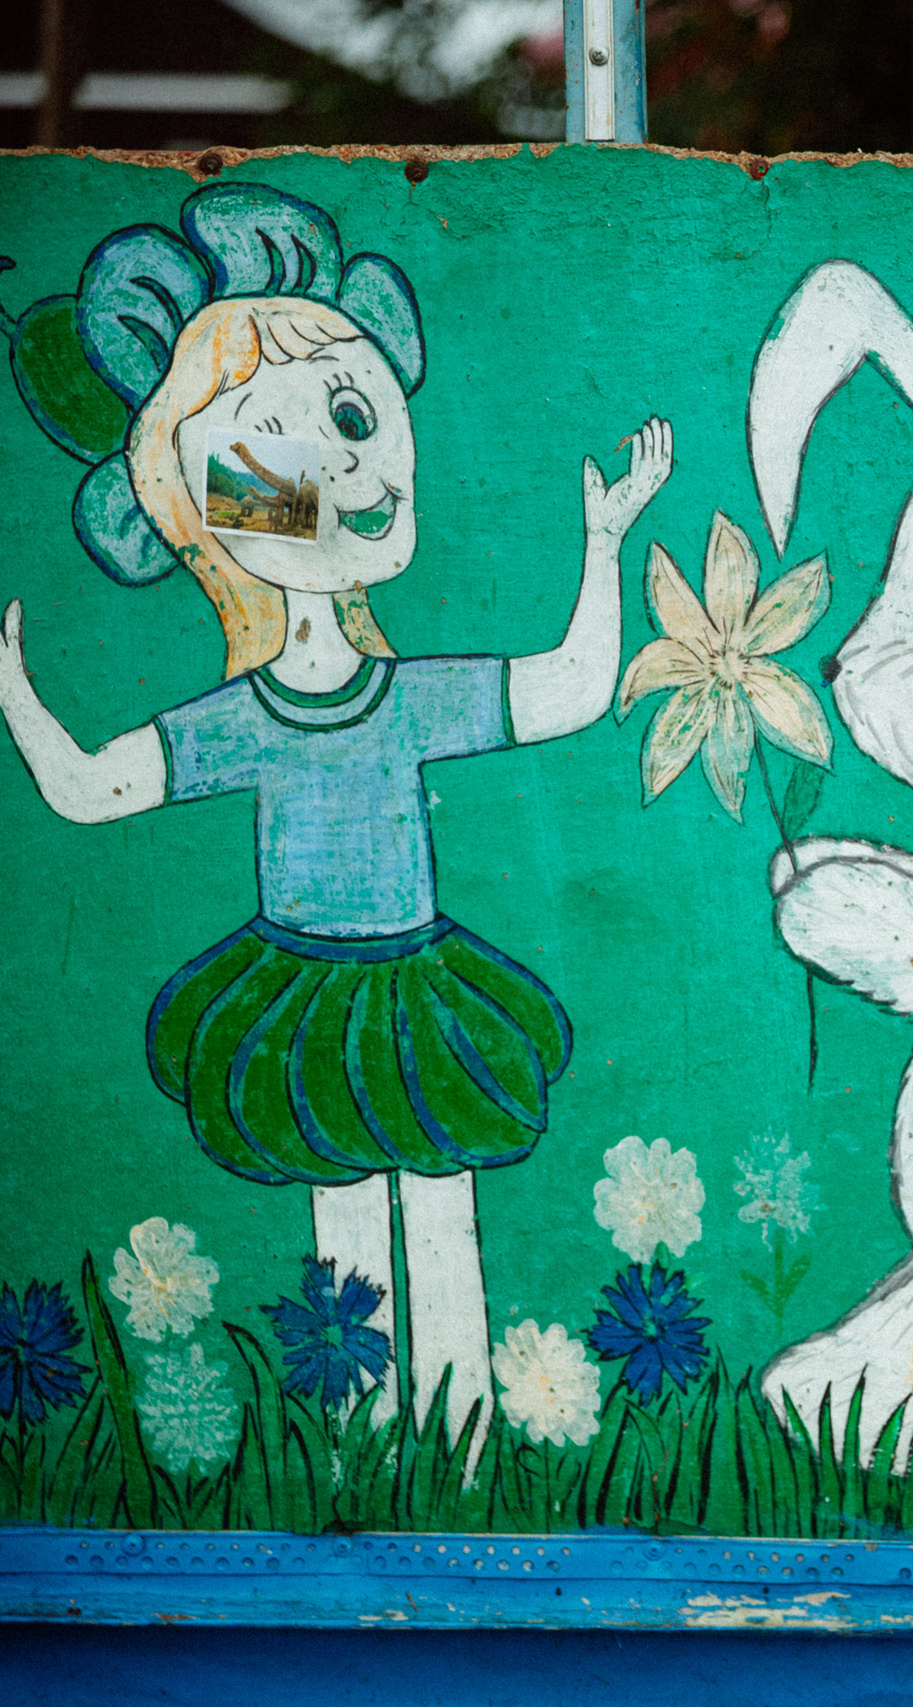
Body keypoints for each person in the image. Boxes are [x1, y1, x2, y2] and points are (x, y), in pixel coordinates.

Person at [0, 182, 672, 1442]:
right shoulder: (244, 718)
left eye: (354, 415)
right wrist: (17, 696)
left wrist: (603, 539)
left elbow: (572, 691)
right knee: (348, 1219)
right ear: (196, 511)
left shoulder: (411, 698)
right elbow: (93, 790)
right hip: (306, 986)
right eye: (283, 444)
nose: (349, 465)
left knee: (445, 1213)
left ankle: (463, 1454)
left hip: (414, 979)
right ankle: (370, 1458)